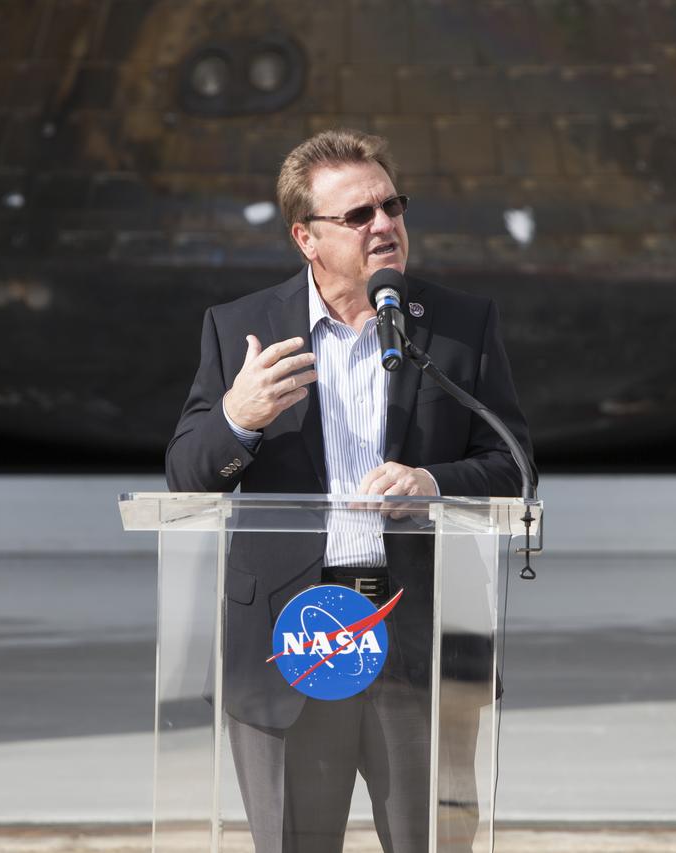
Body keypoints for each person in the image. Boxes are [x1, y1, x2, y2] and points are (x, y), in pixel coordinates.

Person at [166, 128, 533, 853]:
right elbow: (185, 476)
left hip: (420, 639)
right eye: (358, 215)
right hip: (290, 641)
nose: (385, 225)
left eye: (392, 205)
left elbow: (513, 464)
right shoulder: (240, 329)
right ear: (306, 236)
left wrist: (432, 481)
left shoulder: (459, 326)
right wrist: (238, 419)